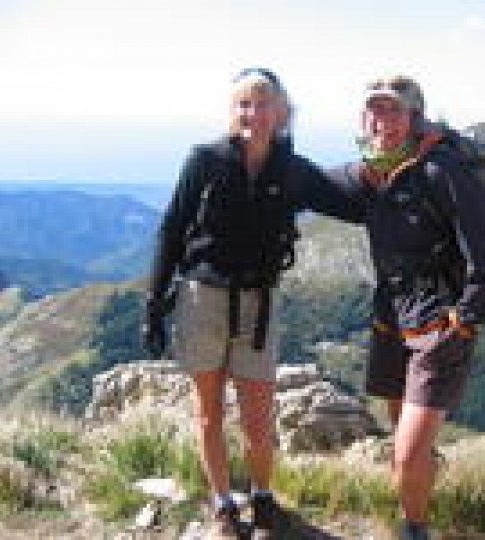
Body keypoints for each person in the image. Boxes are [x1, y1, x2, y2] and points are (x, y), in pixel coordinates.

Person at [142, 67, 360, 540]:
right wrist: (155, 301)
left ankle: (262, 500)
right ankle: (223, 506)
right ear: (231, 112)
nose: (252, 113)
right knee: (209, 414)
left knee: (259, 418)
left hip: (259, 305)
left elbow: (351, 201)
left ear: (281, 114)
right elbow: (173, 228)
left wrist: (406, 178)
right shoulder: (203, 160)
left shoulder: (294, 171)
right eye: (243, 103)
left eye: (263, 104)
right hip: (202, 299)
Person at [331, 76, 485, 539]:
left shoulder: (440, 170)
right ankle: (420, 485)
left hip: (439, 323)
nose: (381, 119)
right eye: (374, 110)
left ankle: (414, 528)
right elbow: (315, 185)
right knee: (402, 434)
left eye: (392, 110)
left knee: (405, 453)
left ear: (414, 116)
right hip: (391, 320)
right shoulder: (375, 172)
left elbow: (483, 250)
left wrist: (465, 319)